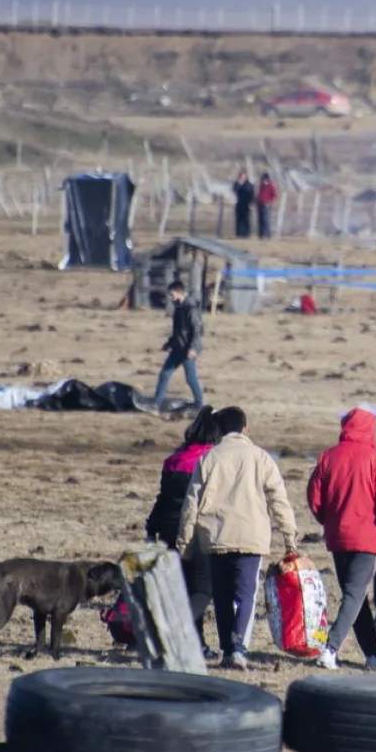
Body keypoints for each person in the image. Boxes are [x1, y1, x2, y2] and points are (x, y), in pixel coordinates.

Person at [177, 406, 299, 670]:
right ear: (246, 428)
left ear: (220, 430)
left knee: (220, 596)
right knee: (245, 595)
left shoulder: (208, 459)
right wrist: (290, 539)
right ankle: (238, 650)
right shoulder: (262, 458)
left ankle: (226, 650)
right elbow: (279, 501)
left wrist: (184, 545)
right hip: (250, 538)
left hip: (215, 537)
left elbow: (191, 505)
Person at [308, 408, 376, 671]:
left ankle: (373, 655)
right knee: (354, 596)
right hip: (367, 538)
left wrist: (328, 521)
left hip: (337, 536)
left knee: (353, 597)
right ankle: (330, 648)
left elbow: (314, 497)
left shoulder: (328, 456)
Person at [145, 406, 220, 656]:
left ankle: (197, 644)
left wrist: (151, 526)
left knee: (186, 589)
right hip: (196, 530)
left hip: (167, 529)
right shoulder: (211, 460)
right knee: (204, 589)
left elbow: (162, 497)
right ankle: (174, 631)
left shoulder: (175, 458)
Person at [154, 280, 206, 407]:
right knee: (165, 373)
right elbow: (178, 331)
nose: (171, 298)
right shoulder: (179, 309)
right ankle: (157, 401)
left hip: (187, 350)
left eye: (172, 295)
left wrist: (193, 348)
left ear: (178, 292)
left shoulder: (191, 309)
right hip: (177, 348)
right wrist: (170, 343)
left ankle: (199, 404)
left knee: (190, 378)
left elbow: (197, 330)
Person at [233, 171, 255, 239]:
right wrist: (239, 184)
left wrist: (251, 203)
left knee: (246, 220)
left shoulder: (249, 184)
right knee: (239, 220)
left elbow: (252, 194)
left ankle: (246, 234)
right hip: (239, 203)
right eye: (241, 176)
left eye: (244, 176)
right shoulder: (237, 184)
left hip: (246, 204)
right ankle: (239, 234)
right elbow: (234, 191)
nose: (243, 178)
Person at [256, 174, 279, 239]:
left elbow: (274, 195)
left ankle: (267, 234)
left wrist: (269, 202)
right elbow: (259, 194)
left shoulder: (270, 185)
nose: (263, 180)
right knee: (260, 220)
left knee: (266, 220)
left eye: (264, 179)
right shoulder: (261, 186)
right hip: (260, 204)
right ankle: (261, 235)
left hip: (266, 205)